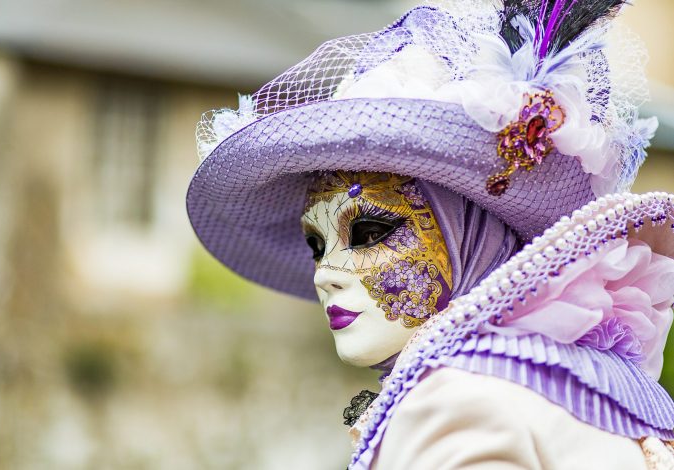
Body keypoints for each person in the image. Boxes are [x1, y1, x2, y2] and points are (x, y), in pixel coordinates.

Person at [186, 1, 674, 468]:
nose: (325, 276)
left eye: (369, 231)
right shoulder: (578, 389)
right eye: (317, 245)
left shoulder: (457, 400)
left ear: (472, 235)